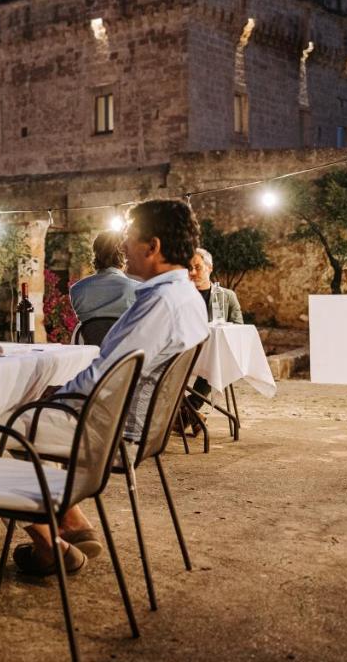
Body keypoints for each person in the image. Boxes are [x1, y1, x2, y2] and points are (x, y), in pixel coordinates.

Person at [14, 199, 208, 576]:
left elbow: (105, 376)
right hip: (131, 426)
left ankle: (49, 544)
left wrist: (57, 395)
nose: (122, 248)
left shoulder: (162, 303)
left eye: (129, 238)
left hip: (109, 430)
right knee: (30, 414)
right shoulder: (186, 297)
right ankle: (74, 523)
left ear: (152, 247)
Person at [181, 248, 244, 429]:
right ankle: (191, 415)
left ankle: (188, 411)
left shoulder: (227, 297)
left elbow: (238, 328)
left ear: (210, 268)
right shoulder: (180, 297)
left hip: (213, 356)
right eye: (188, 268)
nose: (192, 272)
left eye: (197, 267)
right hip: (183, 355)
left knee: (218, 362)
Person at [69, 231, 139, 335]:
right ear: (123, 254)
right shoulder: (138, 290)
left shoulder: (76, 289)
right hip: (126, 350)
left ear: (95, 254)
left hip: (91, 350)